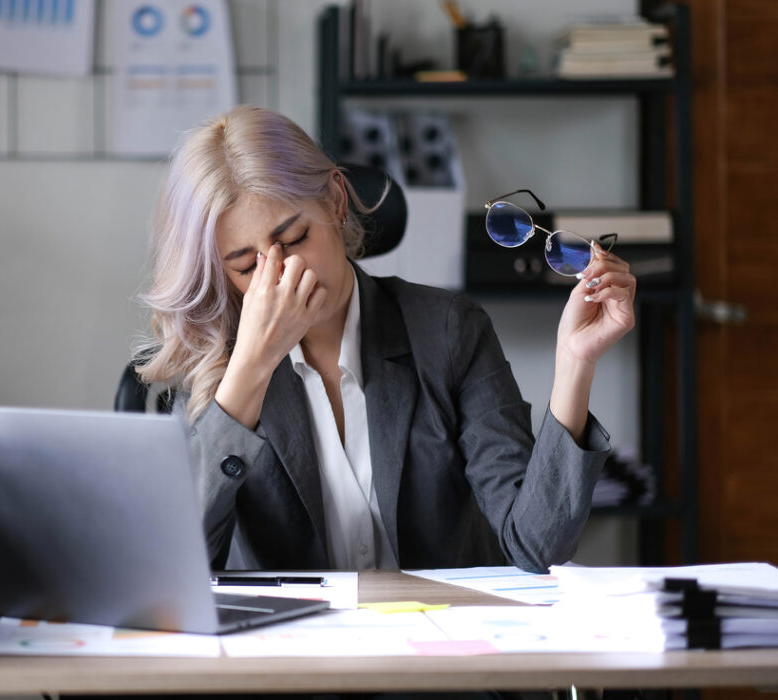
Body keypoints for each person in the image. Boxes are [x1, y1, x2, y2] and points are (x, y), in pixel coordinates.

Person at [135, 105, 636, 574]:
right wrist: (251, 369)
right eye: (248, 266)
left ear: (334, 200)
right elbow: (175, 571)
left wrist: (575, 362)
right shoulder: (210, 363)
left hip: (440, 647)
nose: (283, 277)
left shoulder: (448, 331)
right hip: (291, 656)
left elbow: (535, 545)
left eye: (294, 240)